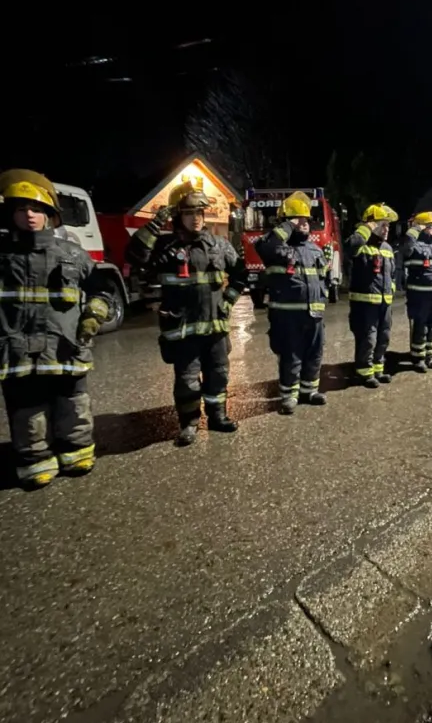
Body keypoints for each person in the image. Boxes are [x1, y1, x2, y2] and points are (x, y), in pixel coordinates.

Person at [0, 169, 111, 488]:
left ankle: (77, 454)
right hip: (17, 350)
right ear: (11, 213)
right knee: (27, 410)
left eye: (36, 209)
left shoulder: (72, 255)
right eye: (22, 209)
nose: (30, 215)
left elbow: (101, 289)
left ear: (50, 214)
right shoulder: (3, 258)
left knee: (73, 405)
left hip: (64, 346)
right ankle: (35, 462)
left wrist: (93, 315)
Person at [125, 178, 247, 445]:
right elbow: (135, 256)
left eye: (199, 213)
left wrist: (227, 302)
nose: (196, 219)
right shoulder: (165, 246)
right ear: (178, 216)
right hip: (183, 330)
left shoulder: (219, 245)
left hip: (215, 330)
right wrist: (156, 223)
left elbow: (240, 276)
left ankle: (218, 417)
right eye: (189, 213)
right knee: (187, 380)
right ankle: (189, 423)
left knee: (219, 374)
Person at [255, 191, 328, 413]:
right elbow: (263, 245)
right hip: (287, 317)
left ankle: (309, 391)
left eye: (306, 220)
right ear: (286, 222)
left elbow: (322, 278)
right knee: (291, 355)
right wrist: (289, 225)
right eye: (298, 220)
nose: (304, 224)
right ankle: (289, 396)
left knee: (314, 354)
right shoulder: (276, 248)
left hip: (314, 315)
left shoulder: (315, 250)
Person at [346, 202, 398, 386]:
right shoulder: (360, 243)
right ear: (372, 225)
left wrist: (390, 290)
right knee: (368, 338)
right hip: (365, 304)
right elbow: (349, 247)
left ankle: (378, 368)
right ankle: (364, 372)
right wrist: (365, 228)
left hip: (384, 303)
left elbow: (392, 275)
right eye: (382, 225)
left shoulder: (388, 248)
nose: (386, 229)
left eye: (388, 225)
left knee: (384, 337)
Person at [401, 211, 432, 371]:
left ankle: (429, 356)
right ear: (422, 228)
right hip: (420, 296)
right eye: (431, 226)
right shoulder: (414, 245)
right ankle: (418, 358)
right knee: (420, 326)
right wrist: (415, 228)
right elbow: (406, 248)